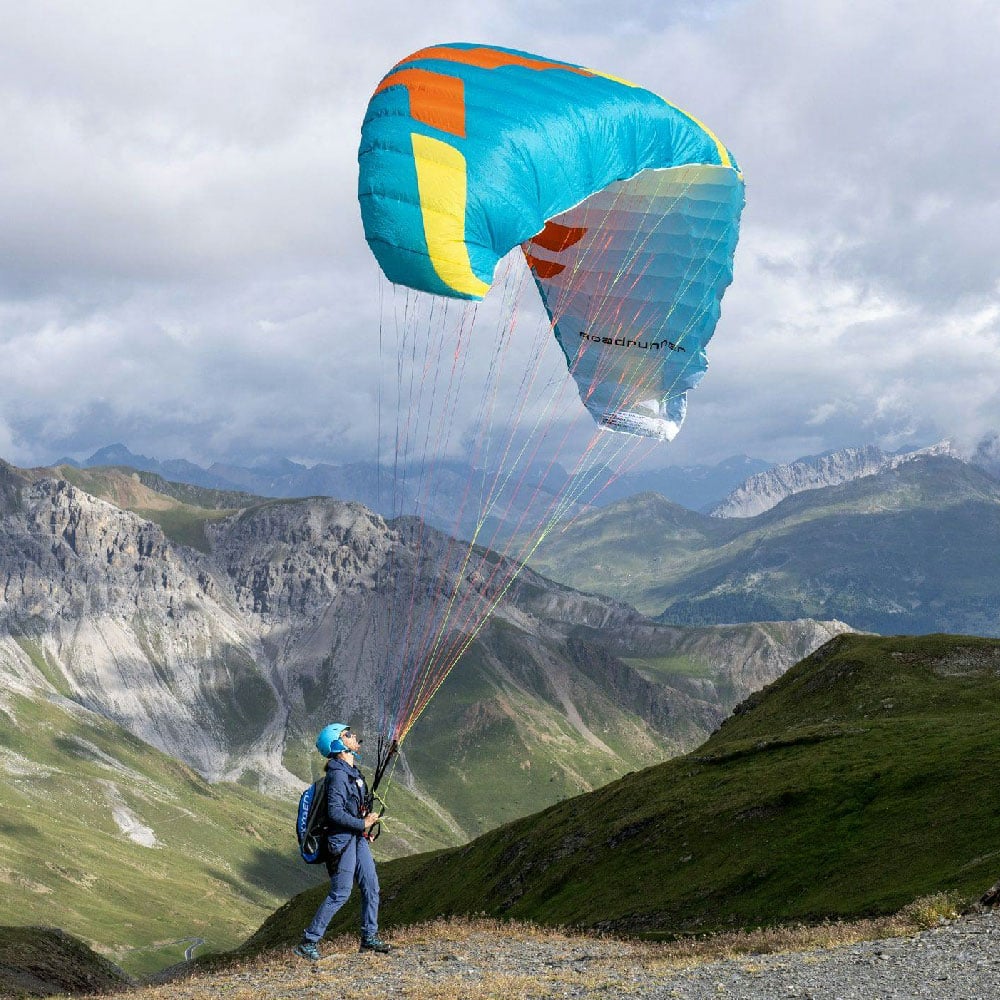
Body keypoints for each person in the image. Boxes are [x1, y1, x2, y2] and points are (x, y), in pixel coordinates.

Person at [294, 723, 391, 960]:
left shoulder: (353, 773)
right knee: (341, 892)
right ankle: (308, 942)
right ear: (337, 745)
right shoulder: (337, 775)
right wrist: (362, 824)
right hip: (341, 840)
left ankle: (369, 937)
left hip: (356, 838)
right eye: (348, 734)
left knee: (371, 884)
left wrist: (364, 827)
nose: (354, 735)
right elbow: (335, 813)